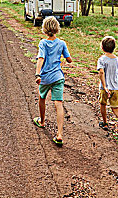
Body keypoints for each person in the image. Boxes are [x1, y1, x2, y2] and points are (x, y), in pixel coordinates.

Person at [32, 16, 73, 146]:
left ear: (44, 29)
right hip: (58, 77)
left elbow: (41, 58)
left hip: (45, 77)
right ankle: (59, 134)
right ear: (57, 29)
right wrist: (67, 58)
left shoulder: (43, 43)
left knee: (42, 97)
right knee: (58, 103)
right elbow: (69, 59)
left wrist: (38, 74)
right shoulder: (61, 43)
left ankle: (42, 121)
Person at [97, 36, 118, 137]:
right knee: (115, 107)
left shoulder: (101, 59)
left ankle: (105, 123)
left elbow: (101, 72)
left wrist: (105, 86)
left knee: (103, 104)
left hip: (105, 87)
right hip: (115, 87)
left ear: (102, 47)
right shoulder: (116, 59)